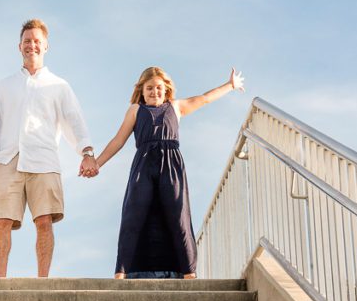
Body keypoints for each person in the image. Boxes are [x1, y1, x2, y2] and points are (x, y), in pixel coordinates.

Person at [94, 66, 245, 279]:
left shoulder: (175, 107)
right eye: (149, 88)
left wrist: (230, 85)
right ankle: (121, 272)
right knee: (133, 215)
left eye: (158, 88)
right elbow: (118, 140)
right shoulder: (135, 110)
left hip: (171, 165)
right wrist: (97, 163)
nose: (154, 92)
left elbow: (205, 98)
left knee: (178, 215)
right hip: (144, 165)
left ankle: (188, 271)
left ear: (166, 90)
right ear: (142, 90)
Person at [0, 18, 97, 277]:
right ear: (19, 46)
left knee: (44, 222)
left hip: (44, 160)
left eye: (37, 41)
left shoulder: (59, 85)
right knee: (3, 221)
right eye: (27, 41)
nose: (32, 45)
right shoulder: (5, 85)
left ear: (46, 46)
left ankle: (43, 281)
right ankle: (0, 281)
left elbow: (74, 121)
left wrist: (87, 153)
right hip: (8, 159)